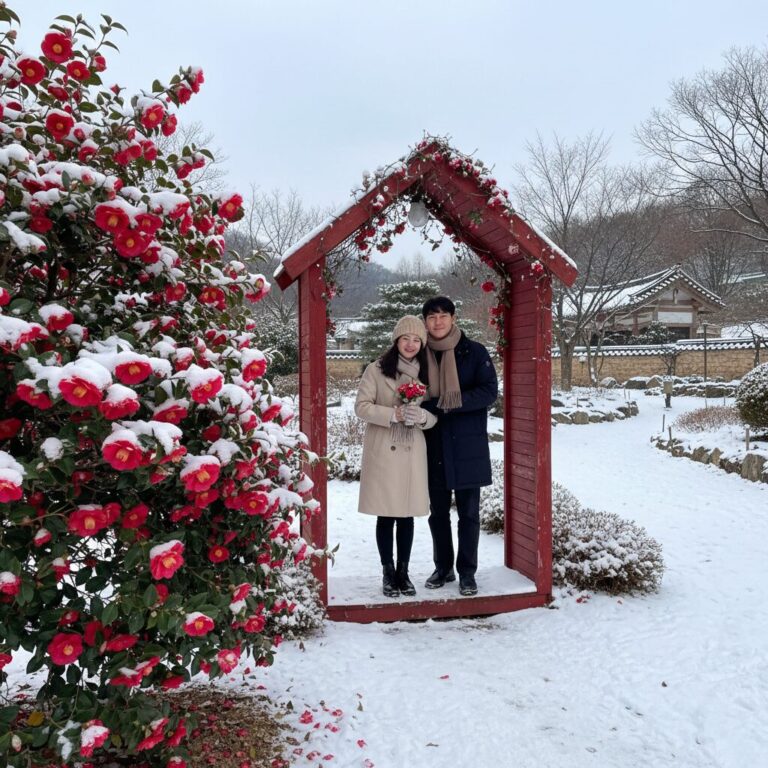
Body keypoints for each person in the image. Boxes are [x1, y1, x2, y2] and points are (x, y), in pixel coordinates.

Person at [420, 296, 498, 596]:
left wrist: (451, 403)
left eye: (442, 316)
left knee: (469, 514)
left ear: (453, 318)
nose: (437, 322)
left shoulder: (474, 351)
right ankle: (443, 568)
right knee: (437, 513)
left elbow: (489, 390)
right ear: (425, 321)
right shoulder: (419, 354)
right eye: (431, 317)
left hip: (468, 445)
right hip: (433, 444)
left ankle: (468, 572)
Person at [355, 315, 437, 598]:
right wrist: (393, 414)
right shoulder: (376, 370)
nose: (411, 344)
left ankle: (404, 572)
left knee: (407, 515)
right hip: (384, 448)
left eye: (417, 340)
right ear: (396, 340)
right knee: (386, 514)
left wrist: (422, 416)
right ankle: (388, 572)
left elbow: (436, 415)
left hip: (412, 449)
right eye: (406, 338)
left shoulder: (428, 372)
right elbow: (361, 407)